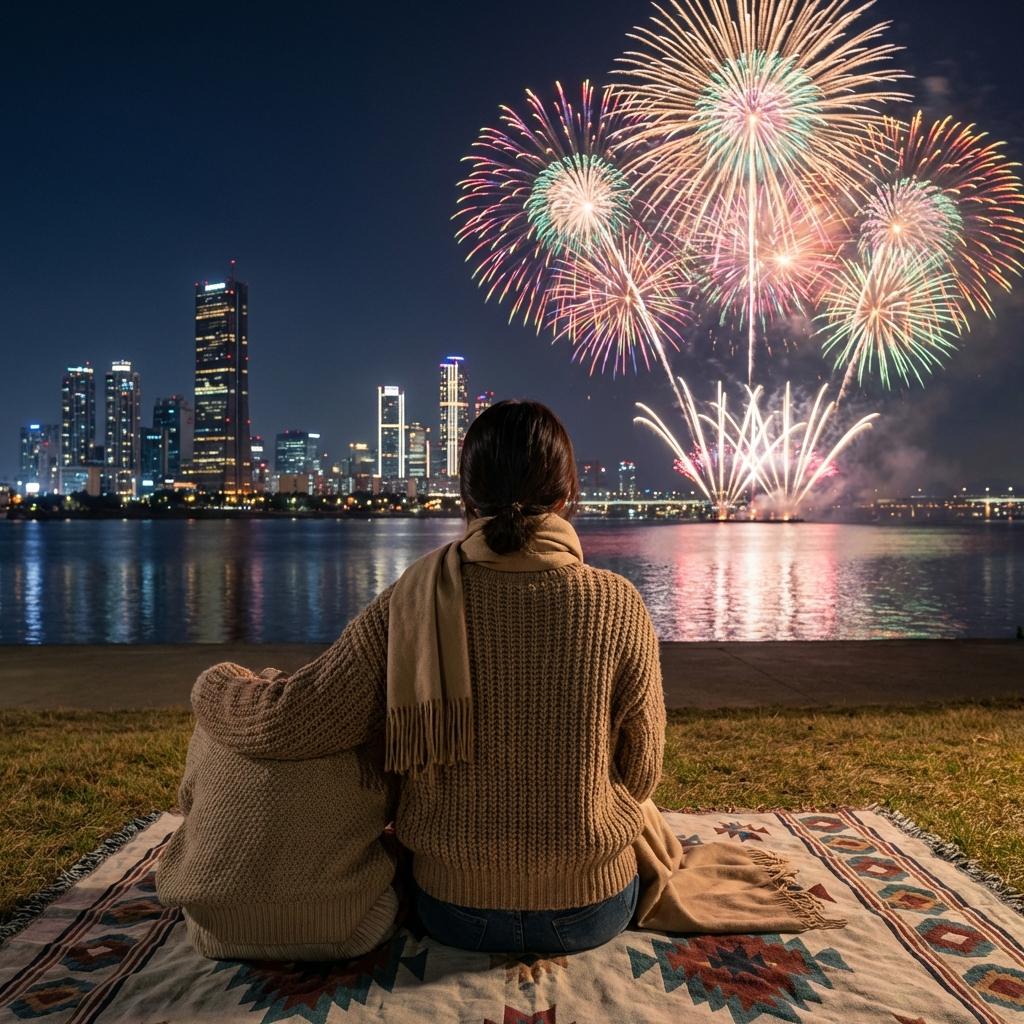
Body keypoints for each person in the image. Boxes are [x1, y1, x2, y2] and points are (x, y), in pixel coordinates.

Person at [182, 399, 665, 956]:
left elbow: (295, 721)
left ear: (468, 496)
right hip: (592, 908)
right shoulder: (618, 605)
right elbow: (642, 770)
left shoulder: (410, 600)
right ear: (564, 497)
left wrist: (214, 686)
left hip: (452, 909)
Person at [156, 666, 400, 961]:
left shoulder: (216, 719)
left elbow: (188, 801)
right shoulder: (358, 721)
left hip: (214, 928)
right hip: (355, 928)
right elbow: (391, 810)